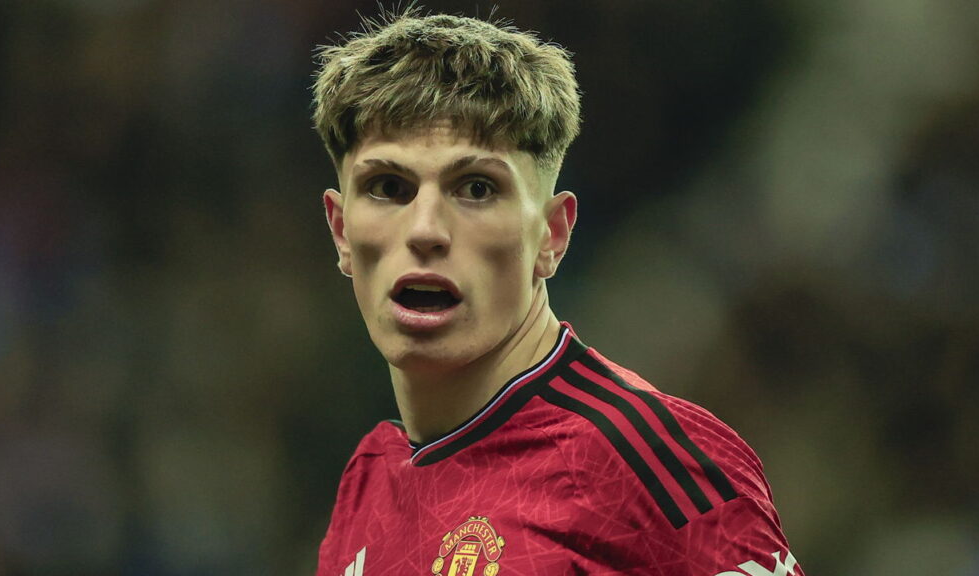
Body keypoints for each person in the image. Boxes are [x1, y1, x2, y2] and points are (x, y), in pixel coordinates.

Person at [311, 8, 803, 576]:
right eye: (387, 186)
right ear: (342, 232)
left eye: (476, 188)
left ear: (552, 235)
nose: (425, 230)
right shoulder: (369, 479)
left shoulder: (640, 461)